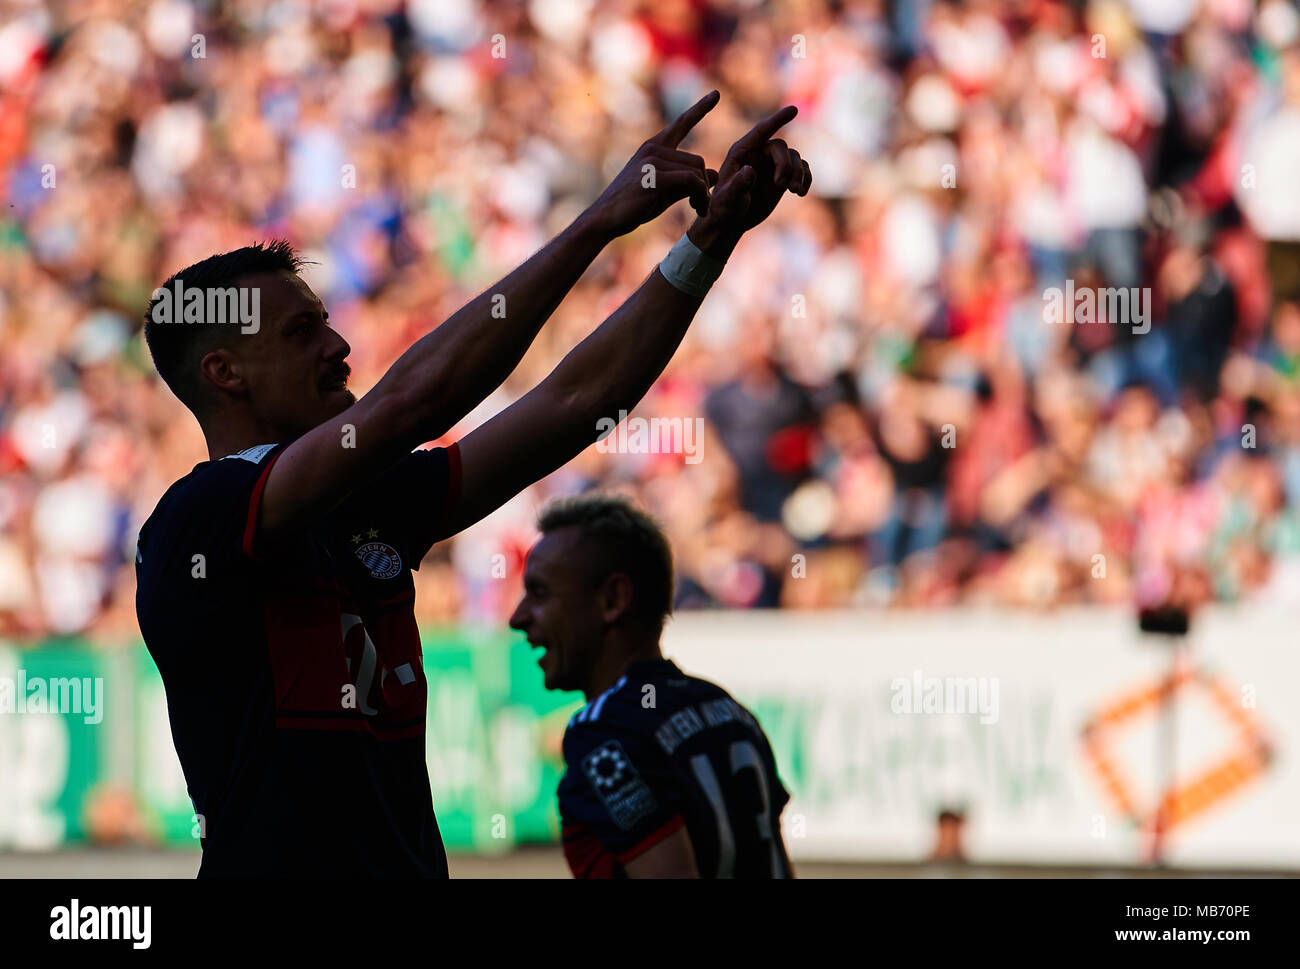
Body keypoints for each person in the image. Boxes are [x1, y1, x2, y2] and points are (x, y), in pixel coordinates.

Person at [133, 92, 811, 877]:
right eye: (302, 331)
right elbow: (410, 403)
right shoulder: (198, 519)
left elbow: (576, 403)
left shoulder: (366, 500)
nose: (340, 343)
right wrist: (597, 222)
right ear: (225, 374)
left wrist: (711, 235)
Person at [510, 495, 794, 878]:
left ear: (613, 599)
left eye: (540, 593)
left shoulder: (602, 734)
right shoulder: (728, 711)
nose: (518, 617)